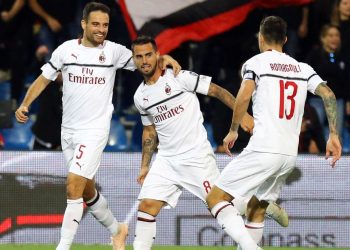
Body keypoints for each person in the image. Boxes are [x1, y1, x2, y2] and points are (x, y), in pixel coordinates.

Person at [14, 2, 180, 250]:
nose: (101, 29)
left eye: (105, 25)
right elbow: (43, 78)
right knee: (85, 190)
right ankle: (117, 229)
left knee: (72, 187)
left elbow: (146, 62)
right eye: (96, 24)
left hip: (94, 131)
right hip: (68, 131)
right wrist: (25, 104)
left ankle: (63, 246)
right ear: (83, 24)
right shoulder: (66, 50)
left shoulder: (114, 52)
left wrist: (163, 57)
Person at [131, 36, 288, 250]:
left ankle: (254, 223)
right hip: (166, 160)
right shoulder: (140, 96)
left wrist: (241, 115)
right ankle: (256, 203)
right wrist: (145, 165)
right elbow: (149, 131)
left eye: (148, 54)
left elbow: (217, 91)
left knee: (218, 203)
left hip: (196, 156)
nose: (144, 60)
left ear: (157, 55)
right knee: (147, 206)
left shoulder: (179, 77)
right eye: (139, 56)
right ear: (134, 59)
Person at [206, 16, 342, 250]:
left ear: (261, 37)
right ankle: (259, 211)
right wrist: (334, 136)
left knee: (215, 198)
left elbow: (244, 94)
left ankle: (252, 247)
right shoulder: (303, 68)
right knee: (256, 209)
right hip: (288, 155)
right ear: (286, 40)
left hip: (263, 149)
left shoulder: (255, 64)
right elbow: (329, 95)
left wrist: (233, 130)